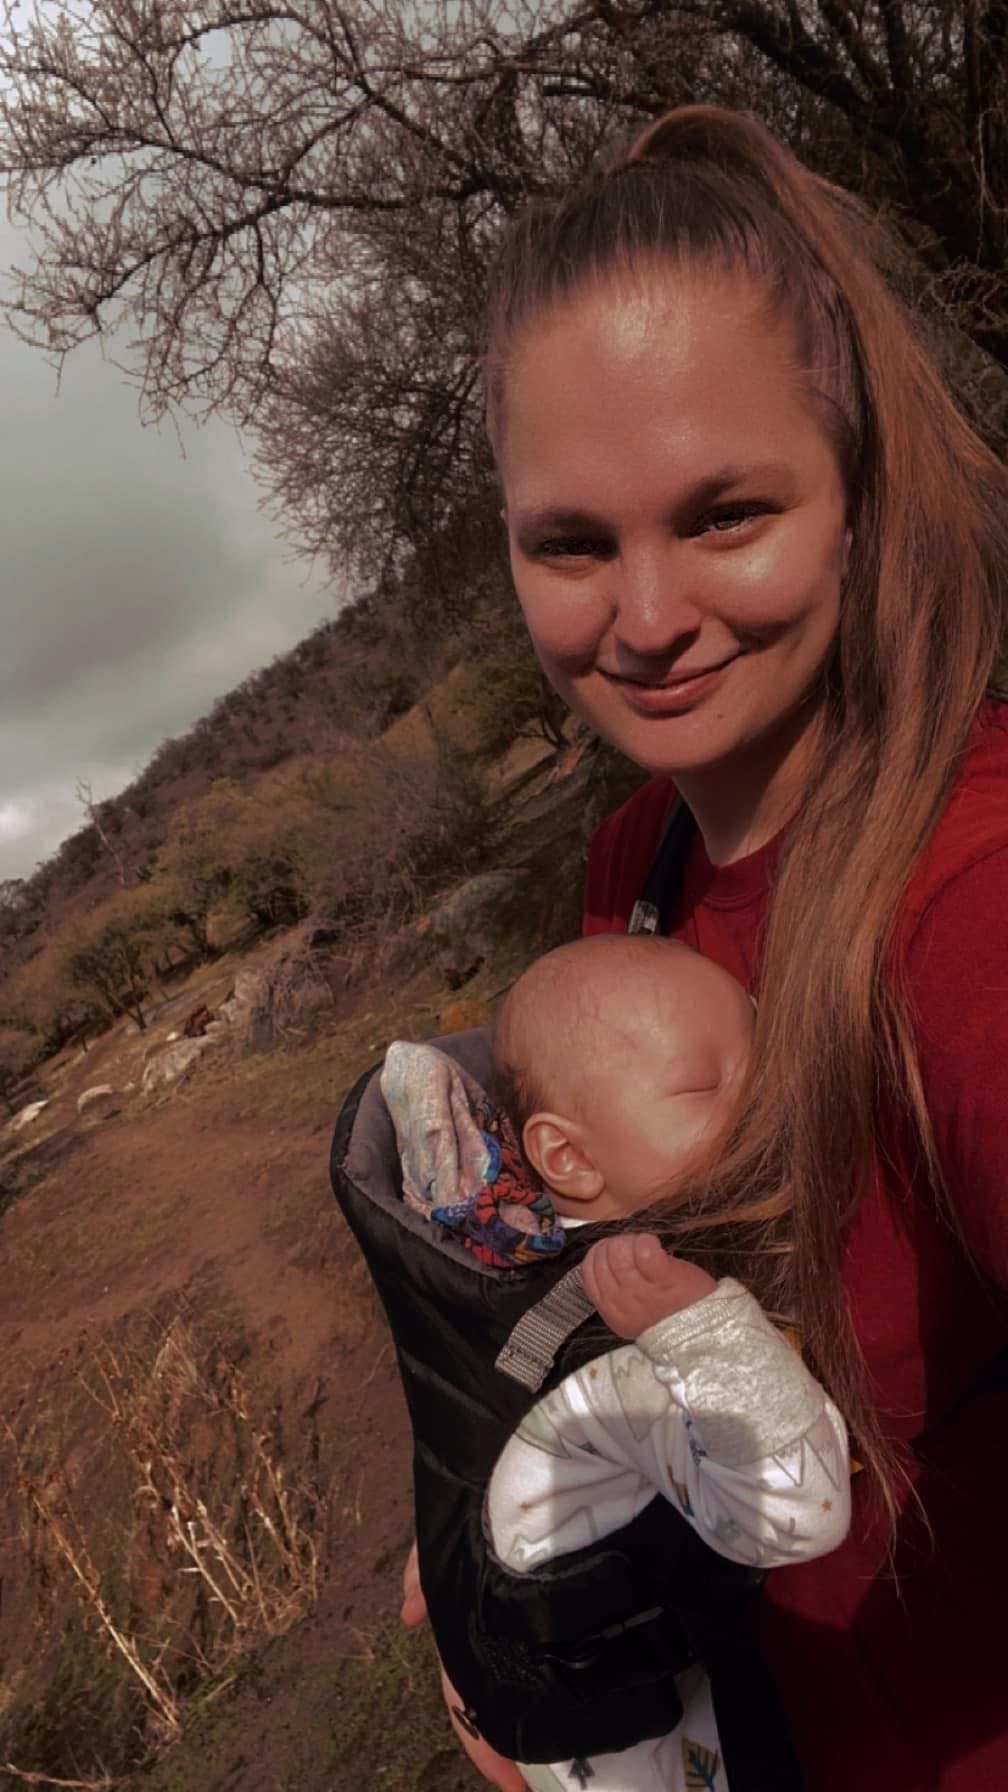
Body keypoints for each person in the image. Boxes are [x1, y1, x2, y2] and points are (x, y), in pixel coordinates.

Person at [410, 102, 1008, 1792]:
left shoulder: (964, 879)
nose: (649, 620)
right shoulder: (639, 856)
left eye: (726, 511)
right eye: (572, 544)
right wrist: (529, 1545)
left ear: (853, 497)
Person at [381, 932, 850, 1792]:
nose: (771, 1095)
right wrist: (709, 1340)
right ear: (569, 1158)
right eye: (708, 1086)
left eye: (764, 1056)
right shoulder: (624, 1349)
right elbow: (798, 1515)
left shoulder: (543, 1277)